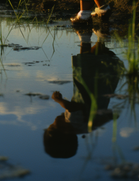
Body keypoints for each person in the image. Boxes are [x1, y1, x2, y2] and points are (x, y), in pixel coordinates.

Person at [43, 28, 124, 158]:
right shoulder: (73, 124)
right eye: (52, 126)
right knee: (84, 60)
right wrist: (59, 100)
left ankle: (100, 35)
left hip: (99, 85)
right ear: (64, 133)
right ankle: (86, 34)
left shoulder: (86, 128)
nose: (53, 122)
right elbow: (74, 107)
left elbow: (108, 116)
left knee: (91, 58)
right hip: (89, 84)